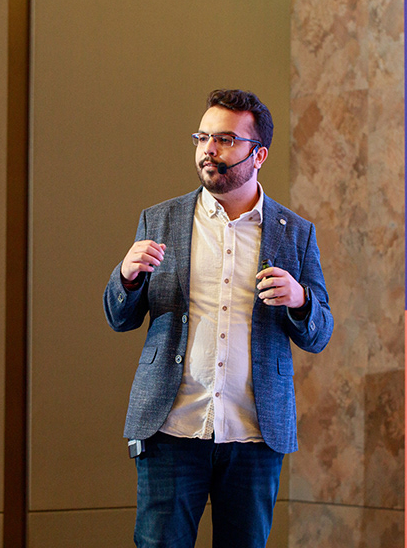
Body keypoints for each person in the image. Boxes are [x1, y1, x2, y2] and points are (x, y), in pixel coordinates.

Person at [104, 89, 333, 547]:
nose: (209, 149)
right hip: (172, 427)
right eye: (203, 137)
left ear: (259, 154)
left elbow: (319, 333)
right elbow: (119, 317)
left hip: (254, 434)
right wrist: (125, 277)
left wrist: (300, 299)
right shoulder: (160, 220)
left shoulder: (295, 233)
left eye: (225, 139)